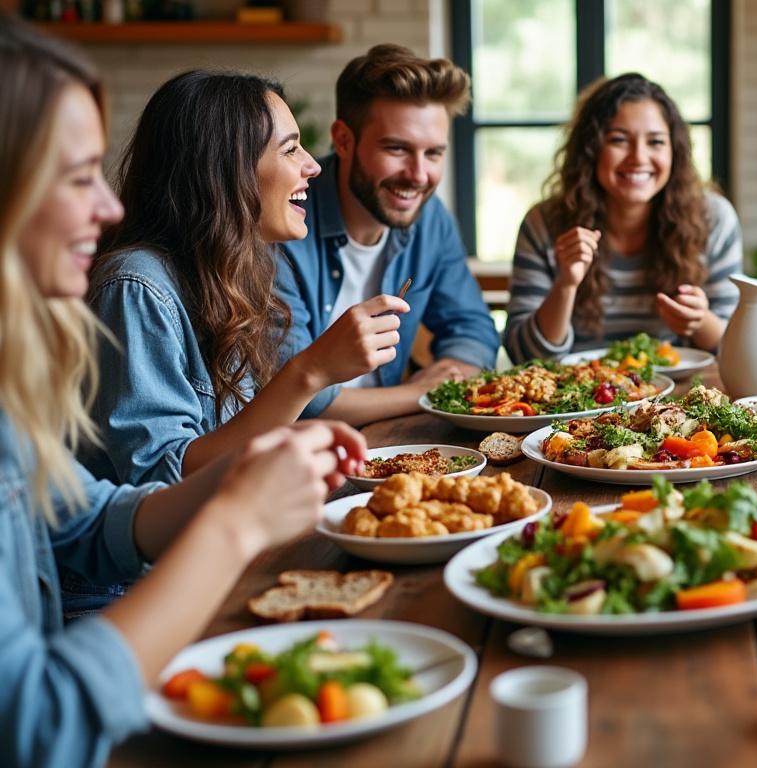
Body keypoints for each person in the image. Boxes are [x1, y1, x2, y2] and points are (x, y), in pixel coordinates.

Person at [0, 18, 365, 766]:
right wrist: (234, 517)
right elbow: (40, 727)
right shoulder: (137, 283)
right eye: (77, 178)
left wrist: (250, 476)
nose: (106, 208)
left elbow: (84, 520)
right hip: (114, 626)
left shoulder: (227, 278)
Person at [70, 70, 394, 612]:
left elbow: (234, 448)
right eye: (291, 150)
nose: (312, 166)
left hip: (207, 566)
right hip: (128, 599)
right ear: (228, 170)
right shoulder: (137, 286)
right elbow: (165, 485)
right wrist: (309, 373)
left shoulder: (230, 272)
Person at [278, 44, 500, 422]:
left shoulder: (430, 219)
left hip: (388, 439)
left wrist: (449, 370)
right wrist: (424, 394)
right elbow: (300, 395)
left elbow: (474, 330)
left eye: (433, 153)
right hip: (300, 456)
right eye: (397, 149)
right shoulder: (282, 223)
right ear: (344, 140)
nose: (418, 175)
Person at [503, 73, 742, 363]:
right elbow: (523, 356)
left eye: (655, 141)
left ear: (675, 152)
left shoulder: (712, 219)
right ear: (590, 150)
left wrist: (700, 321)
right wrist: (566, 284)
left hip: (676, 400)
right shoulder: (543, 223)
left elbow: (739, 350)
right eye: (619, 140)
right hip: (580, 400)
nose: (638, 157)